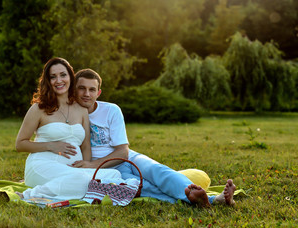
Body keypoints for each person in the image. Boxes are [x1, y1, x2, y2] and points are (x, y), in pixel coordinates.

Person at [70, 68, 236, 207]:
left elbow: (122, 152)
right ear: (74, 90)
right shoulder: (67, 115)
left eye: (92, 89)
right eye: (81, 88)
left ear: (98, 92)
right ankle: (203, 200)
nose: (86, 94)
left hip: (127, 157)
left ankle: (201, 195)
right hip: (107, 170)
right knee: (142, 187)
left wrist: (91, 164)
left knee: (158, 171)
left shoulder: (111, 110)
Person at [15, 58, 121, 200]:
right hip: (42, 165)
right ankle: (31, 194)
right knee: (81, 179)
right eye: (53, 77)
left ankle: (74, 186)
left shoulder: (81, 109)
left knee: (115, 175)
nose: (59, 80)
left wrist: (88, 168)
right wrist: (50, 145)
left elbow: (85, 146)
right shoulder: (38, 109)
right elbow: (20, 144)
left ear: (71, 77)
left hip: (73, 171)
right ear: (48, 81)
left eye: (63, 75)